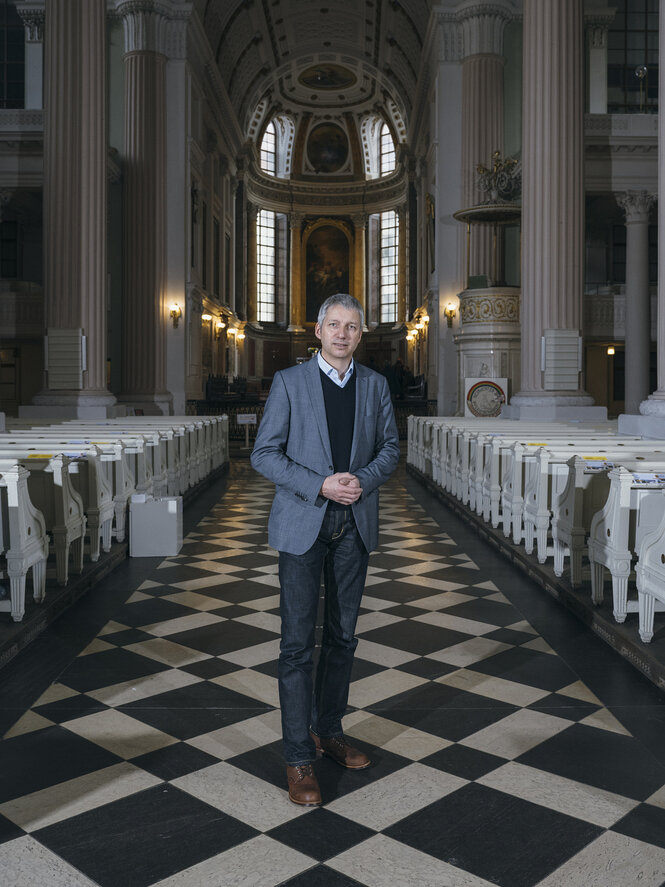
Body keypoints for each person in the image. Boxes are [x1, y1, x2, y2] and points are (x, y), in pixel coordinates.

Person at [251, 293, 400, 806]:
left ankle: (329, 732)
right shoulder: (289, 383)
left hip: (353, 526)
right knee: (297, 645)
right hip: (303, 524)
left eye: (351, 327)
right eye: (333, 325)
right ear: (318, 331)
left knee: (342, 637)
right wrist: (320, 485)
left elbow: (390, 449)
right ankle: (298, 757)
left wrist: (360, 480)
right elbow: (264, 454)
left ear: (361, 334)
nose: (342, 333)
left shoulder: (375, 385)